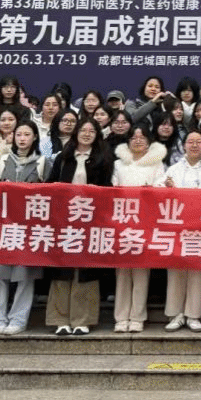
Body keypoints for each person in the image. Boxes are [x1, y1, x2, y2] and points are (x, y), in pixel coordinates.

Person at [46, 118, 114, 335]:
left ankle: (82, 319)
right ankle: (60, 319)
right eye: (83, 130)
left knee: (85, 271)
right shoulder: (63, 158)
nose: (86, 134)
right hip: (63, 221)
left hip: (91, 221)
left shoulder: (104, 158)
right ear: (75, 133)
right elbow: (49, 185)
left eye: (91, 131)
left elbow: (109, 189)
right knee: (62, 269)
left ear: (97, 135)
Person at [0, 121, 47, 335]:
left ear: (35, 137)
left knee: (25, 276)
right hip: (2, 226)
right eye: (19, 134)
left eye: (27, 134)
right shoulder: (2, 162)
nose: (22, 138)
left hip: (29, 228)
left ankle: (18, 319)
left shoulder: (43, 163)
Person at [161, 130, 201, 332]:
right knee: (176, 270)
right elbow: (159, 190)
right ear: (184, 145)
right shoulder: (174, 168)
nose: (195, 145)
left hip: (200, 227)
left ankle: (193, 315)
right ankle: (175, 314)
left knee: (197, 271)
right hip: (177, 228)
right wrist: (168, 188)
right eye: (191, 141)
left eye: (199, 142)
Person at [110, 123, 167, 333]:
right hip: (122, 221)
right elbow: (112, 189)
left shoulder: (157, 164)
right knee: (122, 272)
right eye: (133, 137)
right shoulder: (118, 164)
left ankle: (137, 317)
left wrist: (149, 191)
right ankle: (121, 317)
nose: (138, 141)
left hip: (146, 221)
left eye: (142, 137)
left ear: (149, 142)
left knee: (141, 271)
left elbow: (161, 187)